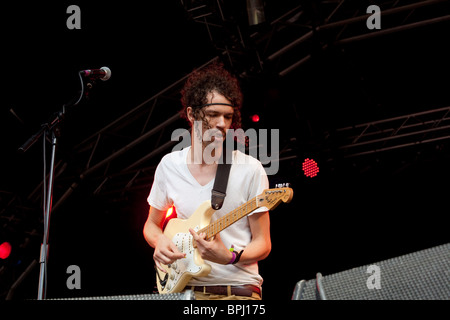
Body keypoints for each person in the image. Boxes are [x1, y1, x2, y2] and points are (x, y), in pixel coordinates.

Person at [143, 62, 271, 300]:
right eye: (213, 115)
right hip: (184, 291)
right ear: (192, 114)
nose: (222, 124)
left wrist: (230, 256)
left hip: (238, 290)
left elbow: (263, 243)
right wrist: (159, 240)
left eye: (228, 116)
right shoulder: (169, 166)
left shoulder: (250, 169)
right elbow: (151, 225)